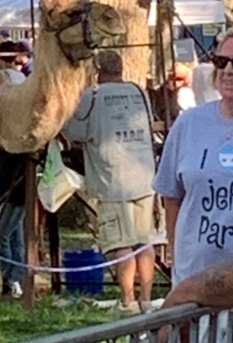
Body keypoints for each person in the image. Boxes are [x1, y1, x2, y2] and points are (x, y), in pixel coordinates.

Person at [62, 50, 158, 316]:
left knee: (121, 243)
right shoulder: (139, 92)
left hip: (112, 178)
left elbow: (74, 132)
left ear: (97, 70)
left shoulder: (91, 96)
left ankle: (127, 301)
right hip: (145, 176)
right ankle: (147, 299)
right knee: (144, 240)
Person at [153, 33, 233, 341]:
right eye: (221, 61)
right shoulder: (189, 125)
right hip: (191, 284)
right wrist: (177, 255)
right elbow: (171, 196)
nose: (228, 70)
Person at [0, 40, 27, 298]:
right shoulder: (22, 82)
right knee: (15, 236)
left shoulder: (5, 81)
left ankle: (12, 278)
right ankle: (17, 279)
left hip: (13, 184)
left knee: (0, 237)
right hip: (15, 182)